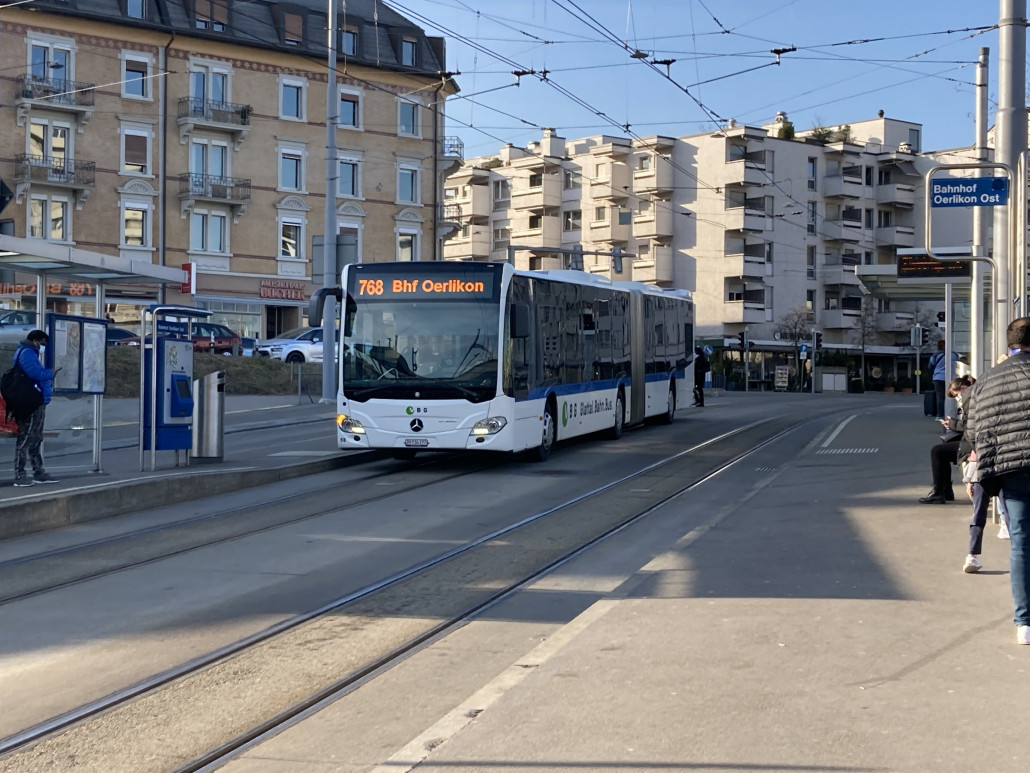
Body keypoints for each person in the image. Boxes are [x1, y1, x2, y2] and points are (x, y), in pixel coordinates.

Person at [965, 316, 1030, 645]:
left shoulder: (989, 379)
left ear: (1010, 343)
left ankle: (1025, 622)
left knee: (1021, 542)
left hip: (1011, 469)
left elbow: (973, 429)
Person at [12, 330, 59, 487]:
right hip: (30, 402)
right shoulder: (26, 353)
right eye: (43, 343)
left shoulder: (29, 353)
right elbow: (35, 373)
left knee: (36, 438)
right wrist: (50, 373)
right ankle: (20, 474)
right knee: (26, 437)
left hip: (37, 401)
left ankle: (38, 472)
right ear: (36, 341)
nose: (43, 346)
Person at [918, 375, 967, 504]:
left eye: (957, 395)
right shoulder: (971, 399)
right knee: (945, 446)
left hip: (973, 443)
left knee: (937, 451)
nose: (958, 398)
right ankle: (945, 490)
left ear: (963, 388)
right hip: (972, 439)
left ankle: (938, 491)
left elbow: (969, 425)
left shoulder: (970, 401)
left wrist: (951, 424)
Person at [928, 340, 959, 420]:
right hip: (952, 377)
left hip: (939, 378)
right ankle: (952, 414)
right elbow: (958, 363)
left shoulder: (936, 355)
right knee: (952, 395)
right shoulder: (954, 354)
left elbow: (930, 366)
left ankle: (941, 415)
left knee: (940, 397)